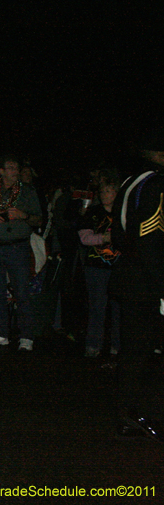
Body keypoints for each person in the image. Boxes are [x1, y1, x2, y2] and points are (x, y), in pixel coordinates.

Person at [110, 132, 164, 443]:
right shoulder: (155, 185)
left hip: (131, 275)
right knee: (143, 352)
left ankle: (129, 412)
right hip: (146, 281)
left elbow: (121, 235)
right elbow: (150, 240)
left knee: (135, 351)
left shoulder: (130, 183)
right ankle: (138, 413)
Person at [0, 154, 43, 352]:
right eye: (11, 168)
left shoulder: (28, 192)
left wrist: (23, 216)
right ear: (2, 172)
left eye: (17, 168)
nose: (16, 172)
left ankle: (26, 336)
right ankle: (0, 333)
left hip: (18, 248)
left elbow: (39, 220)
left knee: (22, 292)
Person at [78, 181, 120, 358]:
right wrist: (105, 237)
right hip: (96, 266)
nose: (105, 195)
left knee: (119, 308)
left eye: (109, 191)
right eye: (102, 191)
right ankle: (93, 344)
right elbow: (85, 238)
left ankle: (117, 345)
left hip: (119, 267)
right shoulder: (93, 213)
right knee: (97, 307)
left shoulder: (124, 213)